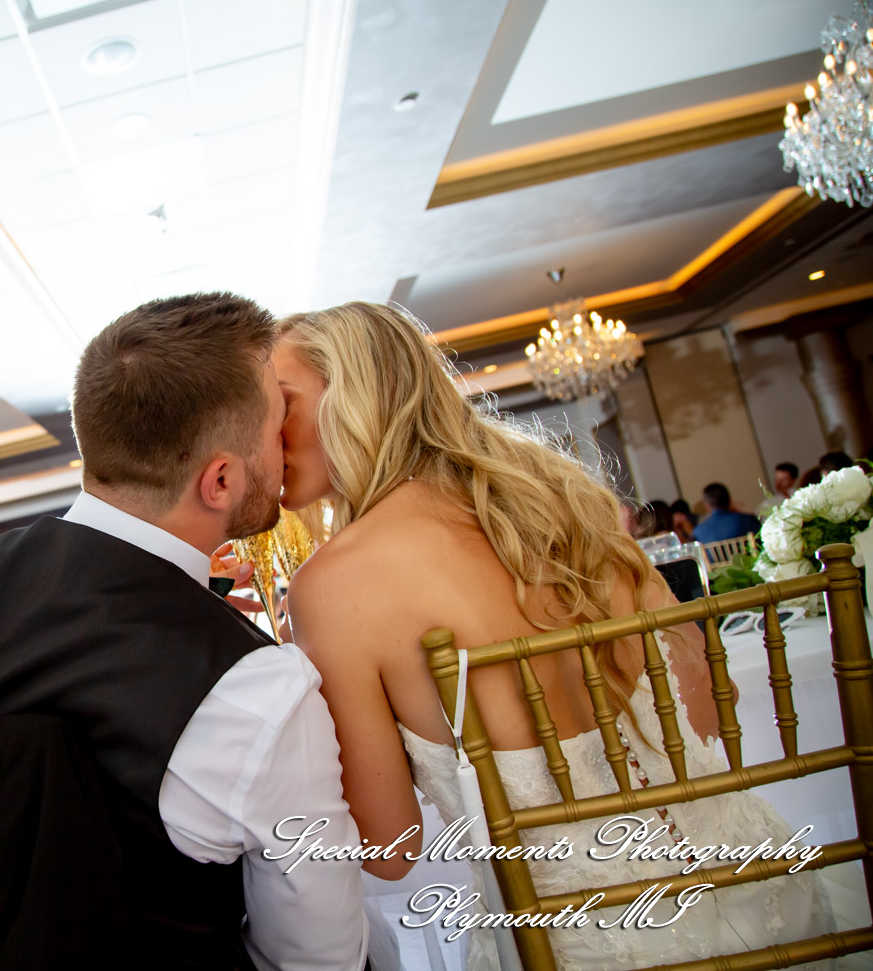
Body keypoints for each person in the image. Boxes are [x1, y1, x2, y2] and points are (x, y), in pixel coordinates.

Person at [273, 301, 831, 969]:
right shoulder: (567, 499)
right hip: (772, 894)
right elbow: (708, 719)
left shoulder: (333, 586)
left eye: (281, 403)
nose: (265, 432)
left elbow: (390, 852)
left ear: (351, 395)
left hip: (576, 943)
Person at [0, 293, 387, 971]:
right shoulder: (257, 688)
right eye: (278, 420)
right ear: (219, 480)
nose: (290, 437)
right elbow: (316, 957)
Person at [693, 482, 760, 544]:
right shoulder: (747, 520)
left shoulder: (699, 531)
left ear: (707, 505)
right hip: (747, 556)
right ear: (729, 500)